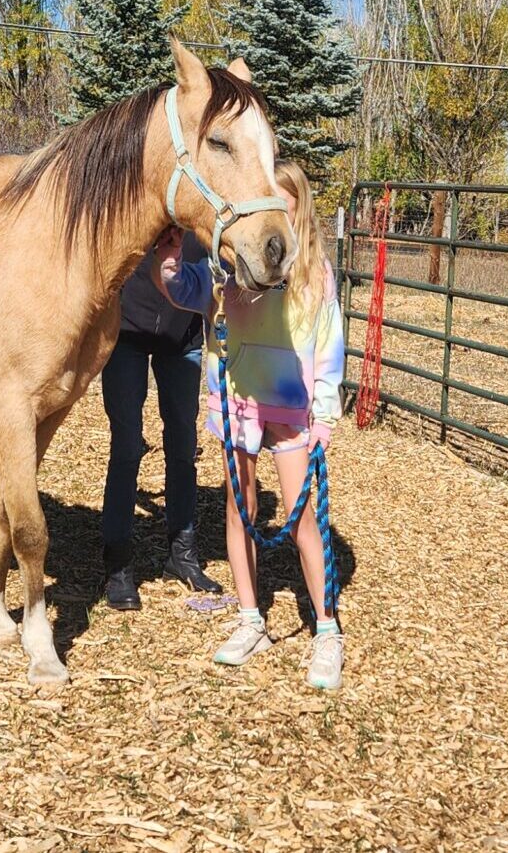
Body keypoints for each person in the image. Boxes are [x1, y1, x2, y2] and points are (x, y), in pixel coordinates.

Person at [154, 159, 346, 690]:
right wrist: (169, 266)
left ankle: (327, 631)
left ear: (297, 209)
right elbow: (188, 288)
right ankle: (250, 619)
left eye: (280, 203)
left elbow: (329, 348)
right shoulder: (231, 267)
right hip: (237, 406)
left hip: (289, 411)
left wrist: (324, 413)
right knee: (240, 514)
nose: (269, 214)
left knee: (303, 518)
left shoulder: (313, 273)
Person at [100, 231, 223, 611]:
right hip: (126, 335)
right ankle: (118, 563)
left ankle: (181, 554)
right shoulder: (141, 206)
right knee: (127, 445)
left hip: (182, 340)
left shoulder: (199, 212)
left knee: (183, 446)